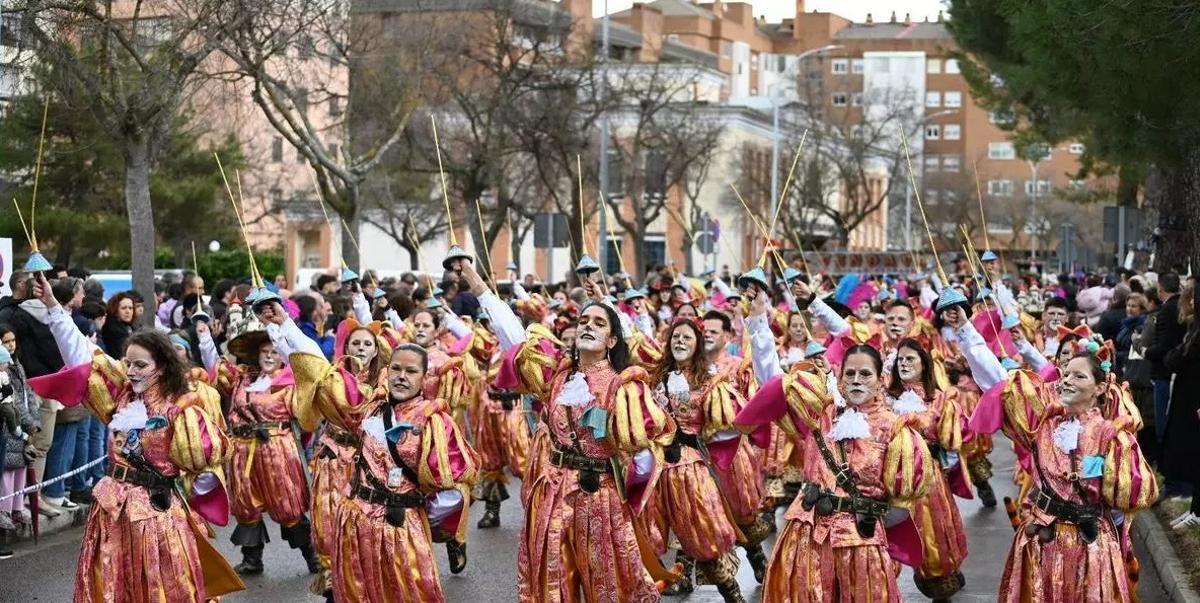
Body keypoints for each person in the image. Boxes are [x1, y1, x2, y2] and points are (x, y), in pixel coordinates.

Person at [463, 261, 676, 603]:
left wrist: (633, 499)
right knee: (553, 579)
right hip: (554, 490)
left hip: (600, 495)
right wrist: (479, 286)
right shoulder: (558, 375)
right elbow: (514, 338)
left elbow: (642, 452)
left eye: (599, 323)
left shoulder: (624, 385)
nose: (588, 327)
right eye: (583, 322)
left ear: (612, 339)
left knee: (605, 580)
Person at [25, 273, 240, 602]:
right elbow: (83, 356)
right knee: (111, 585)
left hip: (154, 515)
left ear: (163, 367)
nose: (132, 371)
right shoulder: (120, 397)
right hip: (111, 511)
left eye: (141, 365)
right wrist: (54, 307)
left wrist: (192, 489)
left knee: (160, 588)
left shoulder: (181, 409)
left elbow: (205, 462)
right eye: (128, 364)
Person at [262, 299, 479, 603]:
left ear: (424, 377)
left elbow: (453, 489)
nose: (402, 376)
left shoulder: (434, 422)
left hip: (399, 528)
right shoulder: (367, 408)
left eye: (412, 371)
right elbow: (322, 372)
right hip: (355, 524)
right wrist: (284, 323)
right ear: (388, 372)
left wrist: (415, 511)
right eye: (397, 370)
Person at [958, 305, 1157, 602]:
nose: (1067, 380)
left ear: (1101, 388)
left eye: (1079, 377)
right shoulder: (1043, 424)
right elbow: (998, 381)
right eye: (1066, 374)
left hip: (1088, 548)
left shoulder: (1110, 436)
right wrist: (965, 330)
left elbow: (1127, 498)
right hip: (1043, 542)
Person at [736, 338, 933, 602]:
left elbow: (900, 502)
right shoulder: (819, 414)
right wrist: (758, 323)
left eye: (865, 374)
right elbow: (774, 381)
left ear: (879, 381)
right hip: (806, 533)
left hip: (859, 542)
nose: (856, 380)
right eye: (850, 373)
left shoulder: (894, 429)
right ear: (840, 379)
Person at [198, 303, 320, 576]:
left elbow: (307, 420)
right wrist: (205, 336)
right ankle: (252, 558)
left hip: (277, 450)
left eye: (274, 351)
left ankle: (312, 555)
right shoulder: (243, 379)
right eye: (264, 351)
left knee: (288, 505)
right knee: (245, 504)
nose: (269, 355)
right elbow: (216, 369)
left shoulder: (290, 382)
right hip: (242, 451)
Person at [887, 338, 969, 600]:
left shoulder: (940, 399)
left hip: (928, 477)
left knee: (933, 531)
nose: (904, 363)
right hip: (890, 477)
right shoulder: (884, 397)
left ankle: (940, 581)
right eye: (900, 359)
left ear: (924, 363)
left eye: (910, 358)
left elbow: (954, 440)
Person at [1144, 273, 1186, 497]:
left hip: (1165, 375)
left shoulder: (1167, 310)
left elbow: (1164, 346)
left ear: (1160, 290)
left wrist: (1144, 351)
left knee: (1164, 426)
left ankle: (1171, 477)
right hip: (1172, 374)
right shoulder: (1177, 309)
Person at [0, 335, 41, 557]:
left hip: (13, 431)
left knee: (18, 471)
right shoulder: (3, 380)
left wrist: (29, 426)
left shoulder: (15, 369)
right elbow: (10, 407)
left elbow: (25, 397)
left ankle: (15, 510)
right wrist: (22, 430)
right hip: (7, 431)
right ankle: (5, 513)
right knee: (5, 477)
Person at [101, 292, 138, 357]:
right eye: (124, 308)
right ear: (115, 310)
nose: (128, 311)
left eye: (130, 308)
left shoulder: (130, 327)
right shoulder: (113, 331)